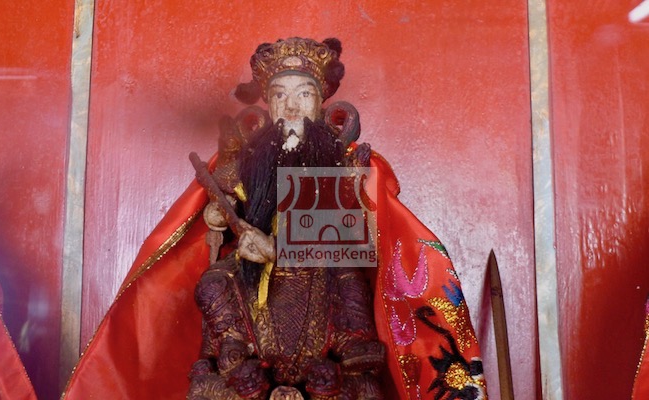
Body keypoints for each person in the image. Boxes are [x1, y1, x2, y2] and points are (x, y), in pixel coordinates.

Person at [62, 37, 487, 400]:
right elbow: (220, 205)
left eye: (303, 94)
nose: (291, 106)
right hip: (252, 275)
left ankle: (352, 353)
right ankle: (233, 351)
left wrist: (278, 249)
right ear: (267, 103)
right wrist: (216, 215)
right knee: (213, 283)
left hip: (324, 269)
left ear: (323, 103)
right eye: (280, 96)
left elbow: (357, 225)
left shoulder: (344, 160)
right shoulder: (248, 157)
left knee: (349, 285)